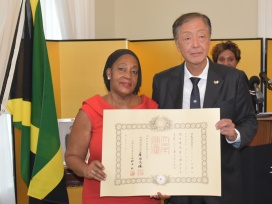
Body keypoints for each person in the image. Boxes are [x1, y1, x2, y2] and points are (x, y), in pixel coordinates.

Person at [151, 12, 258, 204]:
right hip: (178, 187)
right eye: (187, 38)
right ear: (177, 44)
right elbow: (156, 133)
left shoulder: (233, 78)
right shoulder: (163, 81)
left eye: (201, 36)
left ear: (209, 39)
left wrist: (235, 134)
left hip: (221, 185)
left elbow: (249, 121)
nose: (195, 44)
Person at [65, 49, 161, 204]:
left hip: (145, 198)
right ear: (109, 72)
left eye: (134, 71)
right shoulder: (90, 110)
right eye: (122, 69)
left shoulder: (152, 109)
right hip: (100, 197)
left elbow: (163, 157)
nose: (128, 76)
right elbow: (71, 157)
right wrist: (86, 169)